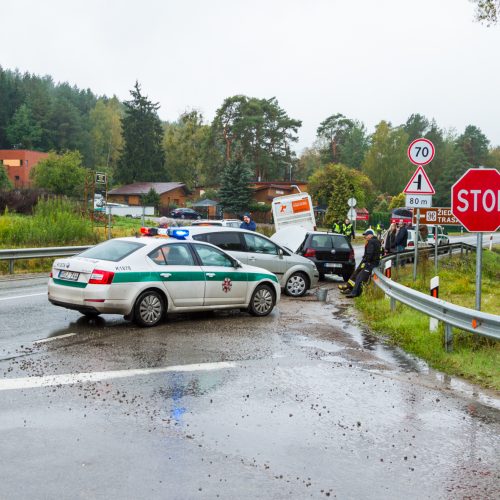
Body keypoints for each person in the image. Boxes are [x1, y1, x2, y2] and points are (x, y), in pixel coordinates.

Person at [338, 229, 381, 298]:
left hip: (370, 264)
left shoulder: (371, 242)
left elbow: (370, 254)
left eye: (366, 235)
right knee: (357, 275)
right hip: (373, 263)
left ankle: (354, 293)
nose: (365, 237)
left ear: (370, 235)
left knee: (359, 277)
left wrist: (366, 262)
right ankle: (350, 288)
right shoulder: (377, 241)